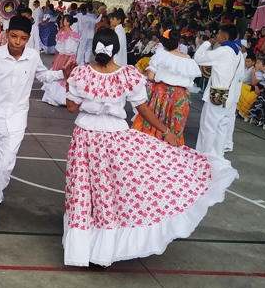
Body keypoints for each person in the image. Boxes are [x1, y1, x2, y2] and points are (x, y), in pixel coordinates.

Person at [62, 28, 238, 267]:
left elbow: (72, 107)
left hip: (85, 137)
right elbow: (143, 109)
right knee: (111, 193)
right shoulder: (127, 75)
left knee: (82, 192)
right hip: (114, 138)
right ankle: (102, 253)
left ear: (95, 49)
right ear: (117, 50)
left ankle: (80, 250)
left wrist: (67, 79)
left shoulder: (81, 74)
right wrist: (166, 132)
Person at [0, 16, 71, 229]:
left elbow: (43, 75)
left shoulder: (33, 57)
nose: (17, 42)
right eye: (13, 36)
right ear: (6, 34)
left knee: (3, 165)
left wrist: (63, 73)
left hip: (16, 121)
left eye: (23, 38)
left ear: (28, 38)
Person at [131, 29, 201, 145]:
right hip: (180, 96)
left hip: (161, 93)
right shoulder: (188, 59)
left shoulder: (161, 55)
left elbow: (152, 77)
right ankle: (172, 154)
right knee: (175, 124)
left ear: (163, 43)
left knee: (156, 122)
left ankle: (153, 151)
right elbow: (190, 81)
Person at [194, 24, 246, 157]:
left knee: (209, 127)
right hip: (231, 94)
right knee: (222, 127)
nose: (216, 36)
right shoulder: (239, 53)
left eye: (218, 34)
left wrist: (206, 44)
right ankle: (217, 156)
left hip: (218, 92)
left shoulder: (223, 51)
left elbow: (198, 59)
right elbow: (241, 76)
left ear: (225, 36)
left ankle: (203, 155)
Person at [41, 14, 80, 106]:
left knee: (62, 76)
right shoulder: (61, 32)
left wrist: (63, 64)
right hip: (60, 57)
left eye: (63, 20)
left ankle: (60, 99)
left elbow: (68, 52)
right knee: (55, 75)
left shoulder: (71, 35)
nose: (60, 21)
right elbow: (58, 49)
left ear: (68, 23)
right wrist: (55, 58)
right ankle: (50, 97)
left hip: (66, 58)